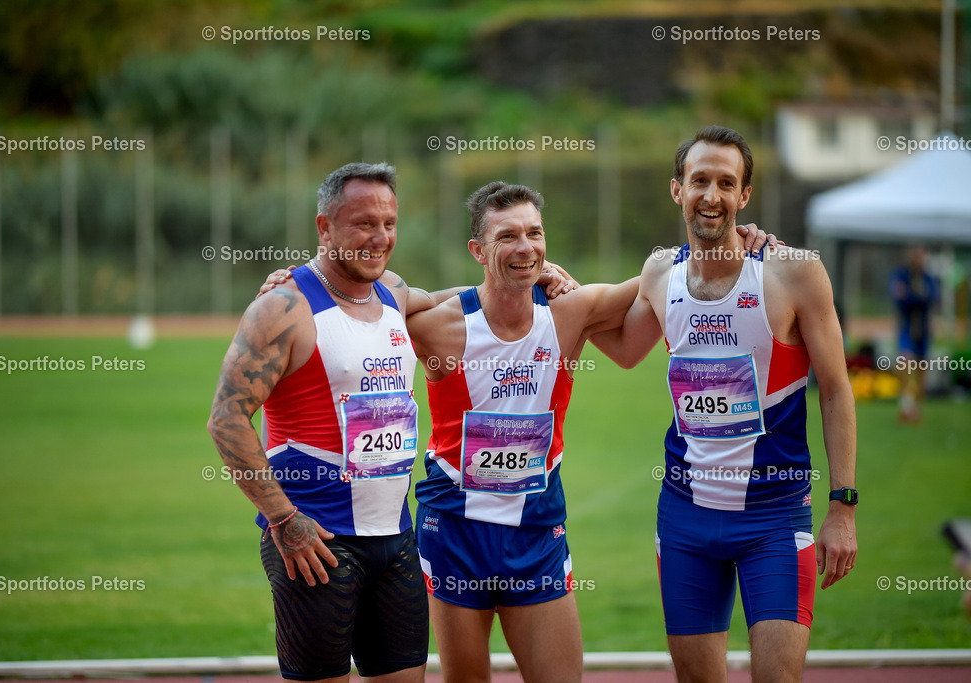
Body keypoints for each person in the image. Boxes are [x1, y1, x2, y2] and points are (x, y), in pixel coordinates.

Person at [255, 179, 773, 682]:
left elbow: (669, 279)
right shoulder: (436, 325)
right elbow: (360, 301)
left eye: (534, 234)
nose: (525, 246)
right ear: (477, 250)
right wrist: (300, 281)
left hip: (537, 532)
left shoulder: (573, 312)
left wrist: (740, 240)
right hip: (453, 530)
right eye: (507, 236)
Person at [210, 162, 572, 683]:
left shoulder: (392, 293)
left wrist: (533, 273)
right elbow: (225, 420)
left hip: (398, 540)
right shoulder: (283, 308)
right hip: (317, 540)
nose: (380, 237)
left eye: (389, 223)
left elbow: (461, 300)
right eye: (363, 224)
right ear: (325, 228)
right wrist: (282, 520)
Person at [592, 125, 858, 683]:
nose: (711, 195)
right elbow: (621, 349)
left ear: (744, 196)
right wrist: (560, 295)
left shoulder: (793, 271)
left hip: (775, 517)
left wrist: (843, 507)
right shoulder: (659, 272)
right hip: (685, 517)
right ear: (677, 190)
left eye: (725, 183)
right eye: (699, 181)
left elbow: (835, 388)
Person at [889, 245, 939, 424]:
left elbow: (932, 296)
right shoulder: (901, 275)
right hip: (907, 327)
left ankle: (916, 409)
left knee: (921, 370)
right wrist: (917, 297)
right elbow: (898, 296)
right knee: (904, 363)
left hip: (923, 329)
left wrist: (911, 296)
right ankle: (905, 405)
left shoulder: (928, 277)